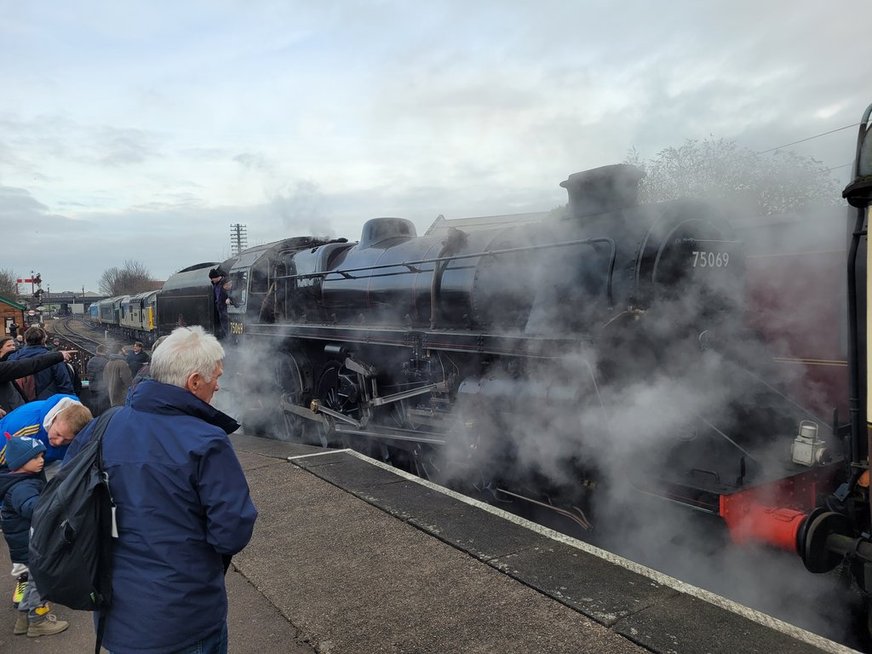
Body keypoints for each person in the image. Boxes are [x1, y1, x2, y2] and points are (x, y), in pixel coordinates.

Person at [64, 325, 257, 653]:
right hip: (185, 619)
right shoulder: (206, 441)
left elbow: (67, 494)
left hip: (115, 613)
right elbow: (232, 532)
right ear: (194, 382)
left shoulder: (101, 426)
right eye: (215, 377)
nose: (219, 385)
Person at [0, 435, 70, 637]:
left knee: (31, 583)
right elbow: (34, 509)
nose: (42, 460)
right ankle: (38, 621)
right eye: (35, 457)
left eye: (42, 455)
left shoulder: (20, 481)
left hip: (25, 546)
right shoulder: (23, 487)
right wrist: (58, 503)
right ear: (20, 462)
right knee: (40, 584)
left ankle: (23, 620)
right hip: (32, 546)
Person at [0, 395, 93, 471]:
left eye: (66, 440)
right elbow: (2, 458)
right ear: (53, 419)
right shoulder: (24, 427)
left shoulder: (82, 431)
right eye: (58, 434)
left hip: (46, 462)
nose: (58, 442)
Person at [0, 338, 77, 415]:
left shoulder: (12, 358)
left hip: (17, 411)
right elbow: (30, 364)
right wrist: (58, 355)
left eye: (13, 345)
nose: (13, 347)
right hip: (12, 415)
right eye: (9, 345)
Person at [8, 326, 74, 399]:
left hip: (20, 404)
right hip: (49, 403)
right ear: (44, 340)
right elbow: (65, 384)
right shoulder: (54, 358)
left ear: (25, 340)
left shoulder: (12, 358)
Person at [86, 345, 110, 415]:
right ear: (104, 351)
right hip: (102, 388)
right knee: (102, 407)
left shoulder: (90, 361)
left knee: (94, 405)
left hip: (92, 386)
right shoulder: (105, 361)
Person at [209, 268, 231, 340]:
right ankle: (227, 339)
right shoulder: (215, 285)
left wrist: (229, 298)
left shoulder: (225, 282)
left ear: (216, 277)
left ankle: (230, 340)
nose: (212, 280)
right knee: (223, 326)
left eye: (212, 278)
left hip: (226, 308)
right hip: (220, 308)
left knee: (227, 326)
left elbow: (233, 291)